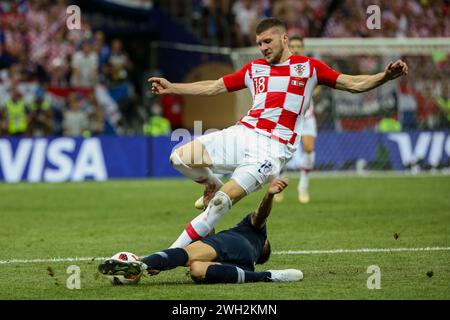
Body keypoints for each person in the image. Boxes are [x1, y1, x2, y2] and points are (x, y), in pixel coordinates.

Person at [148, 17, 408, 249]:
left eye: (267, 41)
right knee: (179, 157)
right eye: (259, 43)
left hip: (272, 149)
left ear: (284, 38)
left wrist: (384, 76)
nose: (263, 48)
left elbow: (352, 83)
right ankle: (213, 183)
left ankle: (167, 254)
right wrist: (173, 87)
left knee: (220, 205)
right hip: (243, 133)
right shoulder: (253, 69)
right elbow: (215, 86)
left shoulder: (309, 68)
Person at [98, 178, 304, 284]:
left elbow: (261, 214)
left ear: (264, 246)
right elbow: (211, 242)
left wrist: (269, 196)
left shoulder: (254, 232)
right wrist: (209, 211)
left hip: (233, 247)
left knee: (190, 253)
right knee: (197, 270)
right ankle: (268, 276)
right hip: (241, 269)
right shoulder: (249, 256)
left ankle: (142, 264)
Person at [274, 35, 318, 204]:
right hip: (286, 117)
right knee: (279, 153)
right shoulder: (280, 66)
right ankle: (278, 183)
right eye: (293, 45)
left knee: (308, 148)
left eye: (299, 45)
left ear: (303, 48)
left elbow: (319, 83)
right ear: (287, 46)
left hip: (306, 117)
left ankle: (303, 185)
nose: (296, 48)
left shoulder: (310, 66)